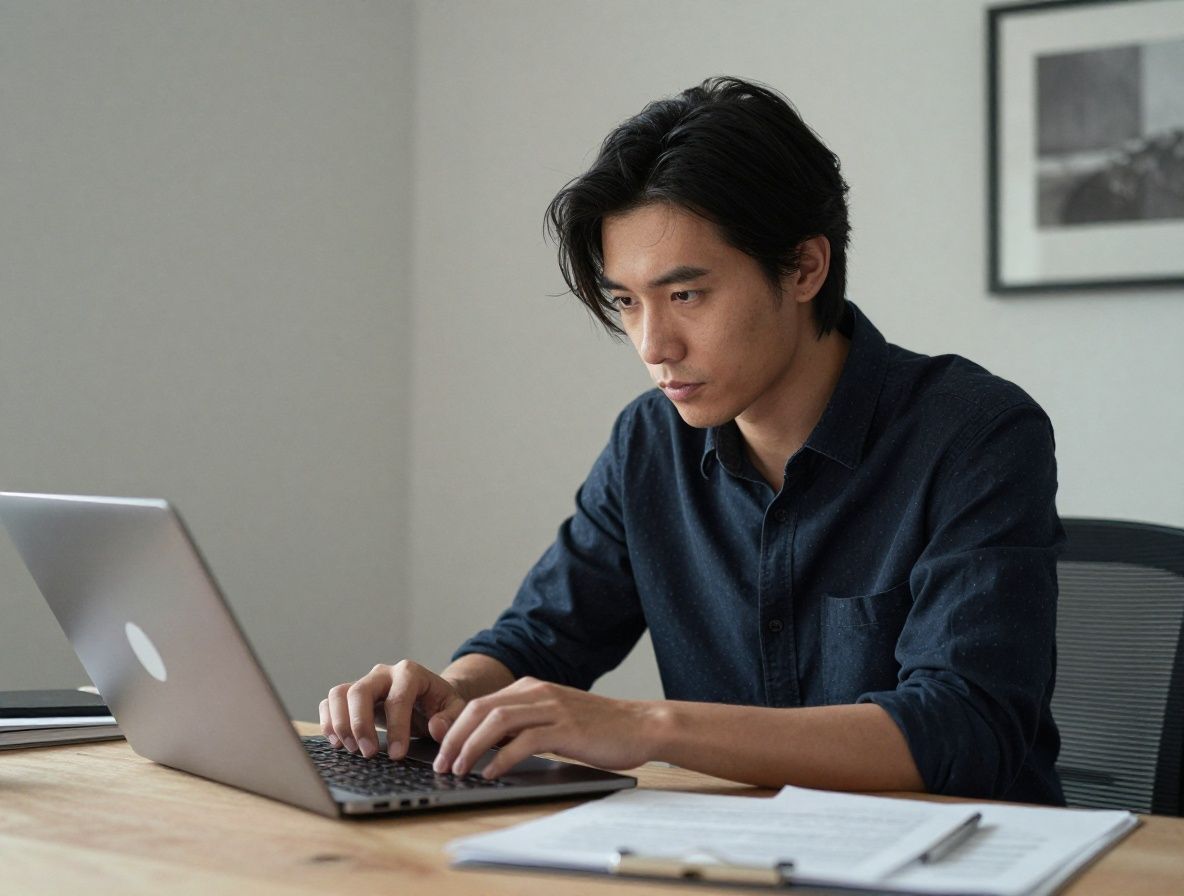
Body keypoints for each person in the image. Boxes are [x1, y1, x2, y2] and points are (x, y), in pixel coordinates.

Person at [320, 76, 1065, 805]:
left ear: (804, 267)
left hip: (964, 860)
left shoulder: (975, 433)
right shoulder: (651, 440)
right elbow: (542, 638)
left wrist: (648, 726)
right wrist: (449, 693)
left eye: (685, 296)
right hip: (736, 855)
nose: (653, 346)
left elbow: (966, 727)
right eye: (626, 303)